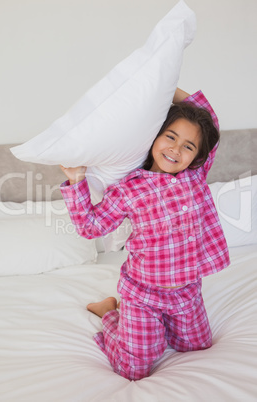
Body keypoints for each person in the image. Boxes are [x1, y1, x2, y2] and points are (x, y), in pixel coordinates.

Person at [60, 88, 230, 381]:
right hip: (143, 295)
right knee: (133, 369)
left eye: (189, 147)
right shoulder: (129, 188)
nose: (176, 150)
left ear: (198, 157)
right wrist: (76, 180)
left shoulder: (196, 176)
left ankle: (152, 324)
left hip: (187, 291)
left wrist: (164, 83)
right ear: (154, 136)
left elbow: (209, 120)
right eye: (171, 137)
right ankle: (111, 313)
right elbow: (90, 227)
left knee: (197, 346)